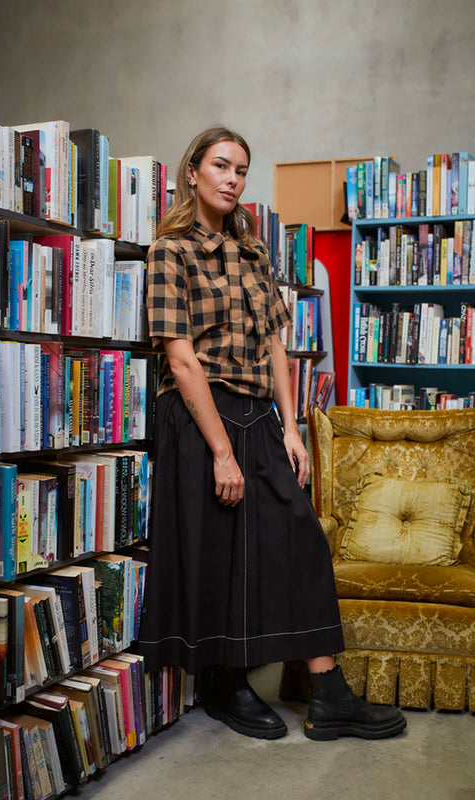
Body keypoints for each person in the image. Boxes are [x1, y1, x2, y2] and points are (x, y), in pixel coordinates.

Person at [135, 126, 406, 741]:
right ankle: (226, 685)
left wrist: (291, 428)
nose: (232, 179)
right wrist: (221, 452)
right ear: (193, 172)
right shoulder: (170, 251)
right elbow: (180, 359)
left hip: (259, 413)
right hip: (200, 415)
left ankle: (328, 694)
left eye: (241, 170)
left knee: (300, 540)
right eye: (221, 166)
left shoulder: (254, 251)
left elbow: (276, 346)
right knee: (220, 552)